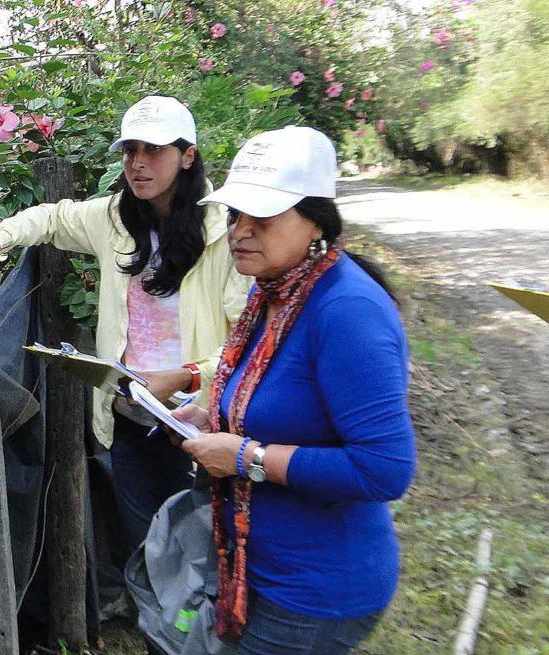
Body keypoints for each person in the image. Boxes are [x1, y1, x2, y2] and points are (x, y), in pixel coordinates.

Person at [174, 126, 416, 654]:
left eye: (263, 216)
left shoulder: (346, 311)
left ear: (316, 221)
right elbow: (278, 406)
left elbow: (385, 469)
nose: (241, 230)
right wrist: (214, 420)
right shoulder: (274, 295)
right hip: (258, 569)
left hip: (317, 590)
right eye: (236, 213)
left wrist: (245, 456)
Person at [0, 95, 251, 557]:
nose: (138, 164)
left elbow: (245, 342)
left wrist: (188, 377)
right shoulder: (116, 218)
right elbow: (52, 217)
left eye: (154, 150)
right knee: (142, 543)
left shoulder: (224, 233)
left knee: (199, 545)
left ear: (188, 156)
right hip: (129, 413)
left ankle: (191, 625)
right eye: (130, 150)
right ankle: (153, 621)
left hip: (196, 421)